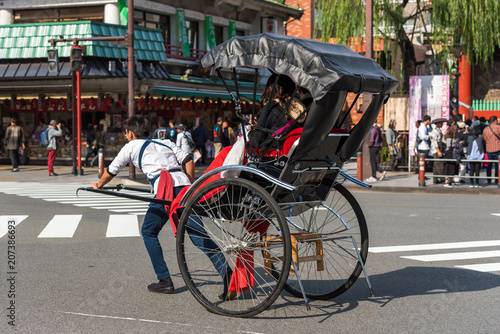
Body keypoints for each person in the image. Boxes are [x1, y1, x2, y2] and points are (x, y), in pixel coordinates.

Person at [91, 115, 229, 294]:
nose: (126, 136)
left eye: (126, 133)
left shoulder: (131, 146)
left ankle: (164, 280)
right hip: (184, 186)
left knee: (149, 231)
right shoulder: (165, 143)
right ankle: (229, 275)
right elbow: (188, 159)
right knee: (197, 234)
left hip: (165, 189)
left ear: (131, 133)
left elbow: (112, 170)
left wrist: (99, 185)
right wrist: (189, 184)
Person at [482, 115, 500, 184]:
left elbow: (484, 139)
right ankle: (497, 180)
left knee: (488, 166)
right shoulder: (498, 128)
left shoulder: (486, 129)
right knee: (497, 166)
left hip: (488, 150)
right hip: (498, 149)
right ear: (495, 121)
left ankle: (488, 180)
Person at [429, 118, 446, 184]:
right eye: (441, 123)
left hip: (438, 148)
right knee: (438, 164)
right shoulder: (434, 132)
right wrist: (438, 151)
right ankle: (442, 178)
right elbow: (434, 142)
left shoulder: (439, 131)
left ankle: (435, 179)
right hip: (435, 149)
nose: (442, 124)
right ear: (438, 124)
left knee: (436, 165)